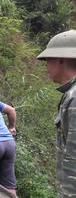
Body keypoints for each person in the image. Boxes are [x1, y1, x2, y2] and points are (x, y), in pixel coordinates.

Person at [37, 30, 76, 198]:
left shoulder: (74, 98)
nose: (46, 67)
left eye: (48, 60)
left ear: (61, 59)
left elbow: (73, 156)